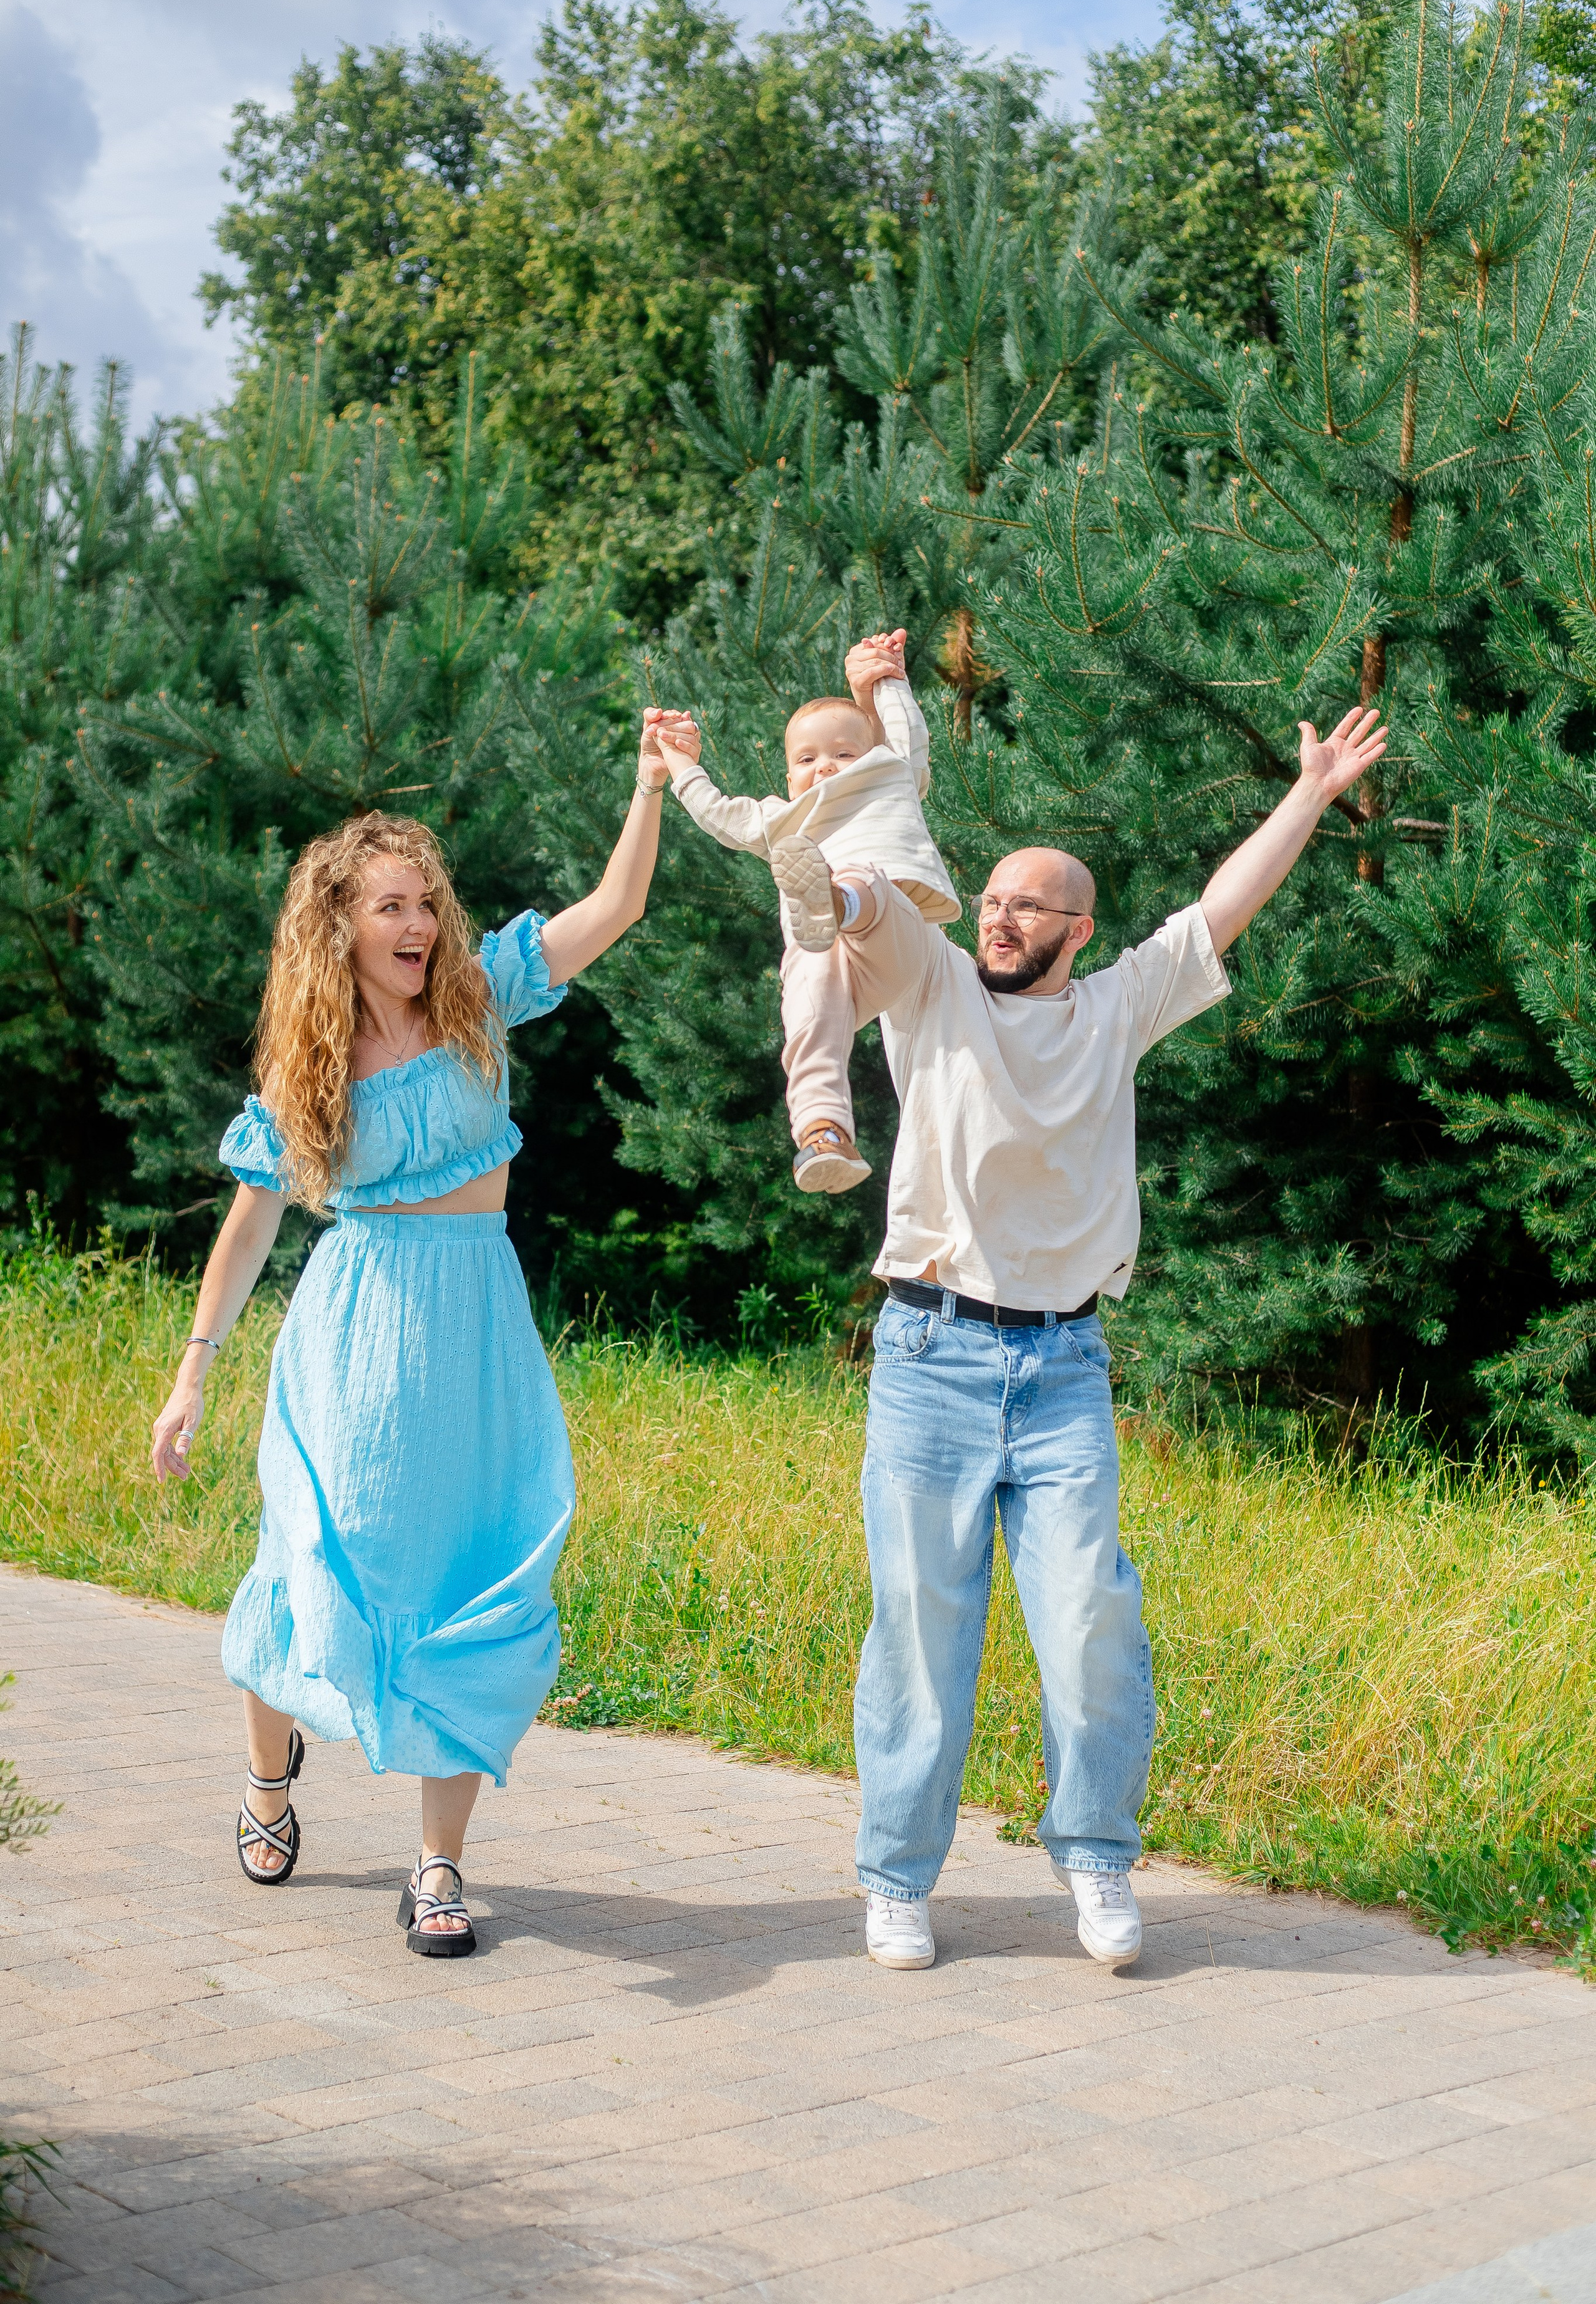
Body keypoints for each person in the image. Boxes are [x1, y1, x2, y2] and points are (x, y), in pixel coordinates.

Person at [788, 705, 1387, 1973]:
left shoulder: (1116, 1010)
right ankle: (896, 1880)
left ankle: (1098, 1861)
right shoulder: (934, 983)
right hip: (929, 1358)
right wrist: (833, 839)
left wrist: (1310, 795)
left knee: (1088, 1622)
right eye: (993, 897)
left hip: (1063, 1370)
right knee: (918, 1632)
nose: (999, 915)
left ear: (1077, 932)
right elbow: (868, 913)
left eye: (1028, 906)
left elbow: (1217, 913)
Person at [149, 724, 672, 1959]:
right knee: (315, 1562)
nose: (419, 924)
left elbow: (618, 902)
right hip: (360, 1324)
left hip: (476, 1321)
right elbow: (247, 1229)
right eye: (392, 905)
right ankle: (271, 1782)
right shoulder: (307, 1068)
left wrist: (647, 783)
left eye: (427, 902)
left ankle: (438, 1869)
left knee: (478, 1576)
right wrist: (191, 1378)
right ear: (336, 923)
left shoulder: (481, 994)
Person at [652, 630, 958, 1195]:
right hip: (838, 961)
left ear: (867, 754)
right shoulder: (785, 818)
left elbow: (909, 732)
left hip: (898, 934)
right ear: (788, 774)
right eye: (807, 759)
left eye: (843, 754)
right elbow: (718, 813)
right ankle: (824, 1135)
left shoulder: (891, 773)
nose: (825, 768)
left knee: (862, 881)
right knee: (808, 1004)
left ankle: (837, 900)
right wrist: (677, 759)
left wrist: (887, 676)